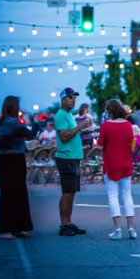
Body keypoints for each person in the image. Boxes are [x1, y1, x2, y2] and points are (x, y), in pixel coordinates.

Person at [0, 96, 35, 239]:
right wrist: (32, 123)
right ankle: (11, 228)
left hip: (3, 159)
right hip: (14, 159)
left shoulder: (0, 122)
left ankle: (14, 228)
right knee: (17, 193)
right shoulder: (14, 123)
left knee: (8, 193)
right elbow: (30, 135)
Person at [55, 87, 92, 237]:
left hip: (73, 157)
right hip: (66, 157)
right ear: (63, 100)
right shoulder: (61, 115)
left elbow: (72, 133)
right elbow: (64, 136)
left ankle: (68, 222)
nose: (73, 100)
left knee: (72, 192)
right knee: (67, 192)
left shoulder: (68, 115)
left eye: (74, 97)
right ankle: (64, 224)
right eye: (70, 97)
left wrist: (83, 131)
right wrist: (80, 127)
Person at [98, 100, 137, 240]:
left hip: (111, 164)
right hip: (126, 163)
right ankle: (131, 229)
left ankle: (118, 230)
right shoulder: (128, 125)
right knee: (127, 195)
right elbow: (131, 142)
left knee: (113, 196)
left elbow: (100, 144)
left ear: (110, 111)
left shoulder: (105, 126)